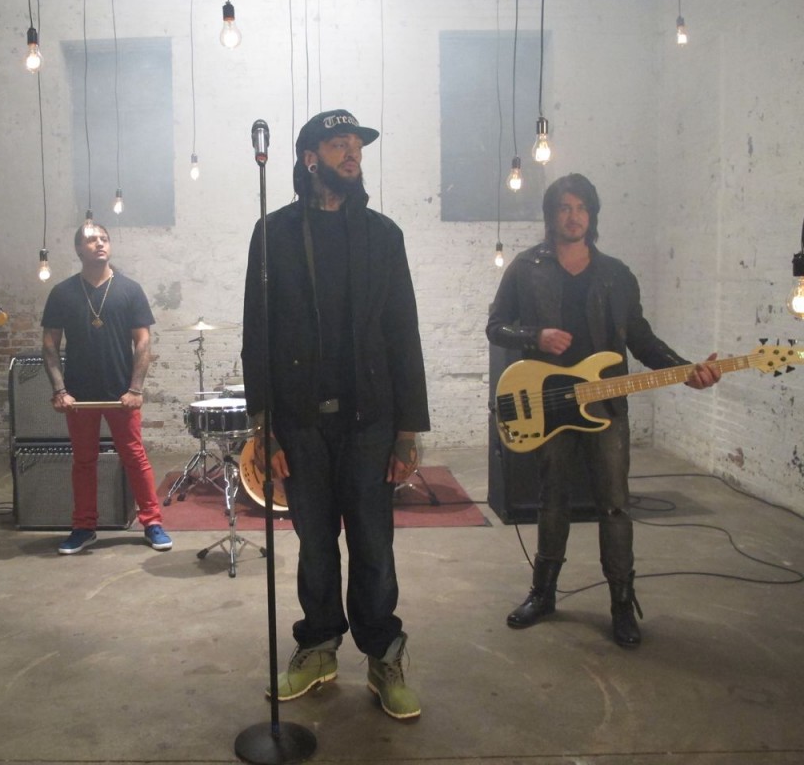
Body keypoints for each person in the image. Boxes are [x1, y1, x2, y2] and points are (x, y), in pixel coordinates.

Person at [241, 110, 430, 720]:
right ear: (309, 158)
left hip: (370, 419)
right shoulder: (273, 233)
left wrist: (408, 430)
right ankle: (319, 648)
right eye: (339, 145)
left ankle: (383, 657)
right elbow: (256, 333)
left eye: (357, 146)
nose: (352, 154)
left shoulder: (383, 235)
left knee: (374, 544)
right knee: (316, 545)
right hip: (300, 421)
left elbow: (403, 332)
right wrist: (263, 425)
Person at [486, 173, 721, 648]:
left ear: (592, 215)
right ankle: (543, 594)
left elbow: (642, 338)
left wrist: (685, 370)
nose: (573, 217)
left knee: (614, 504)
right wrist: (535, 336)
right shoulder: (526, 267)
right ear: (551, 215)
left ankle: (621, 604)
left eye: (581, 208)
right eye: (564, 207)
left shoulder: (616, 274)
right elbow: (495, 326)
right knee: (552, 500)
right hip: (551, 403)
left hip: (606, 402)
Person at [41, 223, 172, 555]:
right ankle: (84, 527)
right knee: (84, 461)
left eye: (104, 238)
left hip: (121, 395)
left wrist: (136, 389)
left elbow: (143, 342)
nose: (99, 243)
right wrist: (60, 390)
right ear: (78, 249)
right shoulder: (62, 293)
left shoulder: (130, 290)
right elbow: (49, 345)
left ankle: (152, 523)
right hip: (78, 396)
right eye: (91, 239)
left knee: (135, 457)